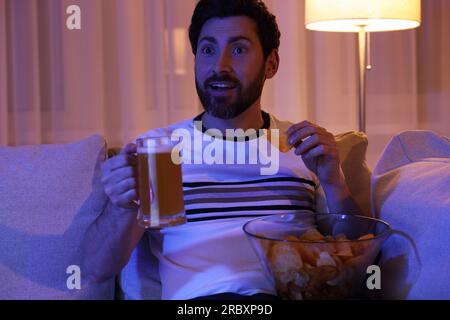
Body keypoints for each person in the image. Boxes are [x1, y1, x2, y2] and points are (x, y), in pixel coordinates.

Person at [82, 0, 361, 300]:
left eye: (238, 49)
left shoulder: (301, 145)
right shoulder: (159, 152)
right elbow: (96, 268)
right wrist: (121, 206)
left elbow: (360, 251)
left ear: (271, 64)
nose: (220, 66)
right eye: (208, 49)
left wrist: (335, 183)